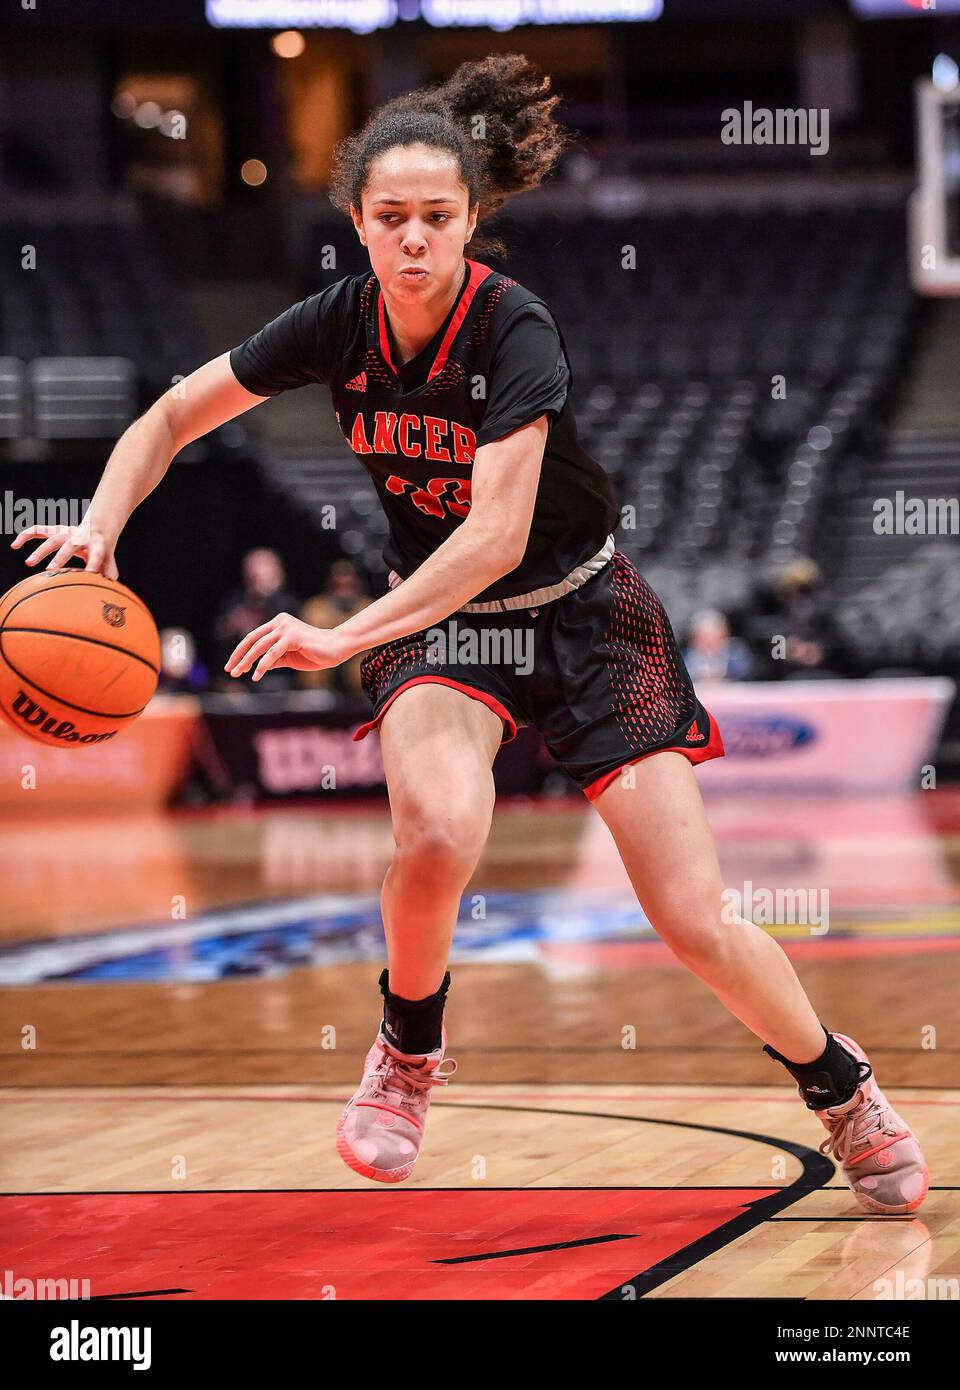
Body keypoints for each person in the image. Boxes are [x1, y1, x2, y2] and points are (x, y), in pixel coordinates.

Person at [10, 54, 928, 1214]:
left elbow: (495, 537)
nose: (410, 241)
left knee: (694, 917)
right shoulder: (335, 323)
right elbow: (171, 413)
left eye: (435, 219)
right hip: (447, 626)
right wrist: (97, 525)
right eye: (388, 218)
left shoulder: (513, 328)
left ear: (471, 221)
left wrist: (344, 638)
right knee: (439, 829)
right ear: (354, 219)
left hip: (587, 614)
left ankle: (841, 1086)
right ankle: (407, 1051)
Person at [213, 548, 300, 692]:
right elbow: (219, 635)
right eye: (254, 567)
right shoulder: (234, 601)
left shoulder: (287, 602)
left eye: (264, 566)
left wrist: (268, 593)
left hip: (281, 678)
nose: (258, 573)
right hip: (241, 681)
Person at [298, 559, 372, 695]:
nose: (344, 592)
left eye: (349, 586)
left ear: (358, 584)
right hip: (321, 680)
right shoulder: (315, 608)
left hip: (360, 683)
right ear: (329, 585)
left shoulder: (369, 607)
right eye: (338, 586)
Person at [683, 609, 753, 683]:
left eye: (713, 638)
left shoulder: (736, 655)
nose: (708, 644)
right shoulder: (684, 658)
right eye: (703, 639)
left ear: (724, 635)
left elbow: (745, 672)